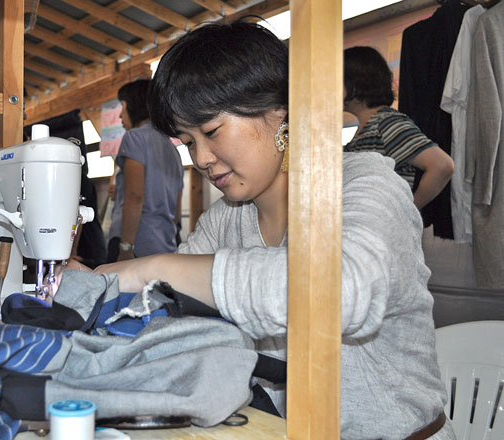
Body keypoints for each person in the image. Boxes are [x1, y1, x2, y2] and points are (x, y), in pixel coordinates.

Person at [54, 20, 458, 439]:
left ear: (280, 110)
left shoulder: (365, 184)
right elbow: (168, 304)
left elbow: (340, 292)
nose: (203, 158)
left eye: (211, 131)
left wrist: (148, 269)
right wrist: (95, 283)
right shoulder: (228, 217)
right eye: (189, 142)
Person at [343, 46, 454, 210]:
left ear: (356, 83)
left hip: (383, 227)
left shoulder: (386, 122)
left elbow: (442, 165)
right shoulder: (368, 127)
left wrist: (408, 211)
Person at [106, 78, 184, 262]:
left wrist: (126, 248)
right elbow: (177, 212)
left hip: (135, 245)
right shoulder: (173, 149)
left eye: (122, 107)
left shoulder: (134, 138)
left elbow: (135, 195)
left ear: (133, 106)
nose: (119, 116)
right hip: (164, 244)